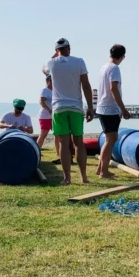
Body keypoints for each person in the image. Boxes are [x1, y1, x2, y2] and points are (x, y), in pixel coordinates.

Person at [43, 38, 94, 185]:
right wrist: (90, 107)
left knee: (64, 143)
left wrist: (54, 55)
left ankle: (67, 178)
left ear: (56, 50)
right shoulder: (79, 62)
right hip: (76, 108)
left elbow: (42, 69)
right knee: (79, 142)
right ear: (69, 48)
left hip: (59, 108)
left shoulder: (51, 63)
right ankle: (84, 177)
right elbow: (86, 85)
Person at [96, 44, 131, 179]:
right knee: (110, 140)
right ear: (122, 57)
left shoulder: (104, 67)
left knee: (110, 139)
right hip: (109, 108)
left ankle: (100, 169)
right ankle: (103, 172)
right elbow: (113, 89)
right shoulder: (114, 68)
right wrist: (123, 109)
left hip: (103, 107)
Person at [36, 75, 60, 157]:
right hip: (45, 116)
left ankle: (58, 153)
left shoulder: (54, 91)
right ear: (49, 81)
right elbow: (41, 101)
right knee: (43, 135)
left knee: (57, 134)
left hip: (54, 115)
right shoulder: (45, 90)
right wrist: (48, 109)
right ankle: (36, 150)